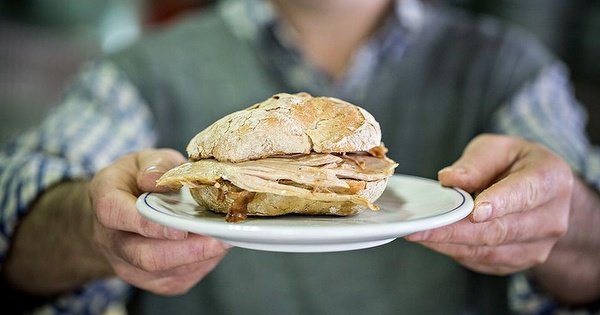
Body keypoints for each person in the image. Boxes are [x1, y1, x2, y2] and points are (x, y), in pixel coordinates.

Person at [1, 0, 599, 314]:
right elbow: (14, 219)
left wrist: (565, 215)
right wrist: (89, 223)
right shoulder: (138, 70)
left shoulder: (512, 70)